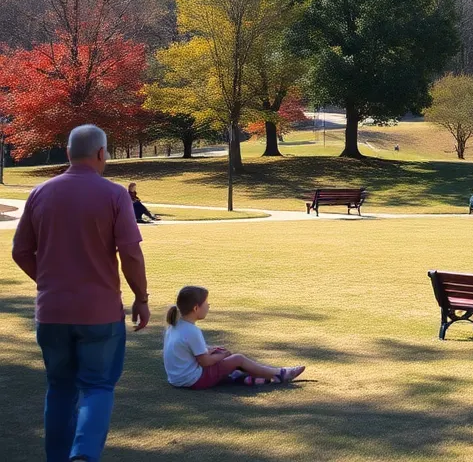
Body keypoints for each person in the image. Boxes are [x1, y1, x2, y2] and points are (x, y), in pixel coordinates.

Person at [11, 124, 150, 462]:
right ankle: (84, 454)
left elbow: (20, 251)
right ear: (102, 153)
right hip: (100, 312)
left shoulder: (40, 192)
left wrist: (47, 281)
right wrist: (141, 298)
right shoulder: (114, 194)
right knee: (97, 386)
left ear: (69, 151)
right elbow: (130, 252)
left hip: (52, 311)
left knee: (59, 389)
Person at [164, 285, 304, 389]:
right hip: (192, 380)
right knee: (237, 358)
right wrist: (223, 355)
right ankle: (279, 374)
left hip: (176, 378)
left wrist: (213, 351)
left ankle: (242, 377)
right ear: (196, 308)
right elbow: (205, 362)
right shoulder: (192, 331)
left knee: (218, 352)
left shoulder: (175, 325)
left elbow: (187, 352)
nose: (209, 306)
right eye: (206, 304)